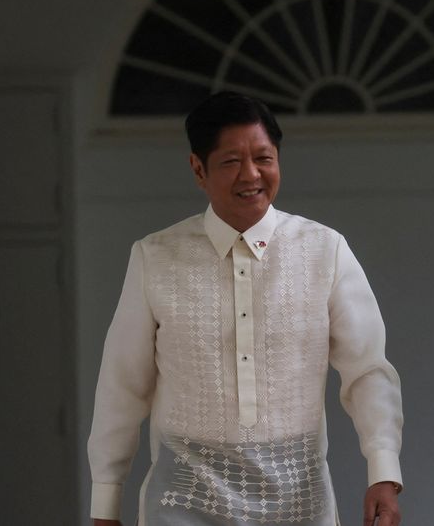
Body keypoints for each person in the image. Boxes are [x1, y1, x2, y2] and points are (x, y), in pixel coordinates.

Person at [88, 91, 403, 526]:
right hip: (182, 503)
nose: (251, 174)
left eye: (264, 158)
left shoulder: (324, 251)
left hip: (300, 504)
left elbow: (367, 370)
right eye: (231, 161)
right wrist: (105, 502)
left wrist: (383, 472)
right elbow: (121, 388)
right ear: (199, 169)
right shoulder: (155, 257)